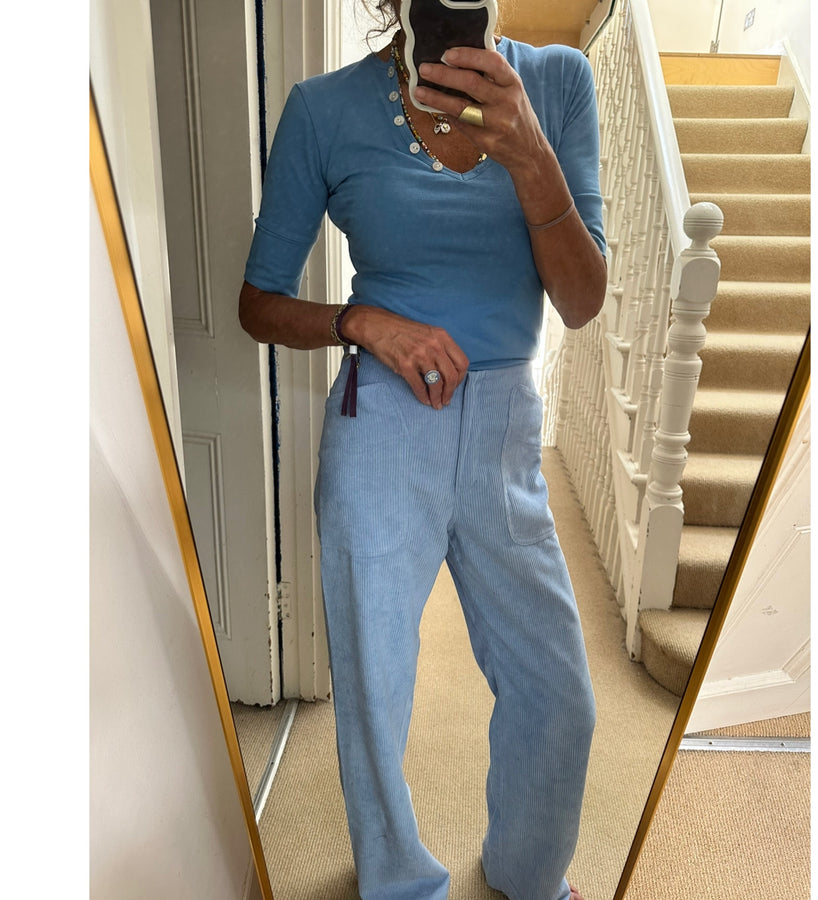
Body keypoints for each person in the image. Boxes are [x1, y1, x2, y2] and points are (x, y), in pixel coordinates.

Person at [239, 2, 608, 897]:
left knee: (559, 694)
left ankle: (529, 873)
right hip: (382, 423)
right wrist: (364, 321)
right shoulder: (322, 109)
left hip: (506, 428)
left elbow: (582, 300)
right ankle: (399, 882)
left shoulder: (559, 84)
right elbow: (259, 303)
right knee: (373, 694)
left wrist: (529, 152)